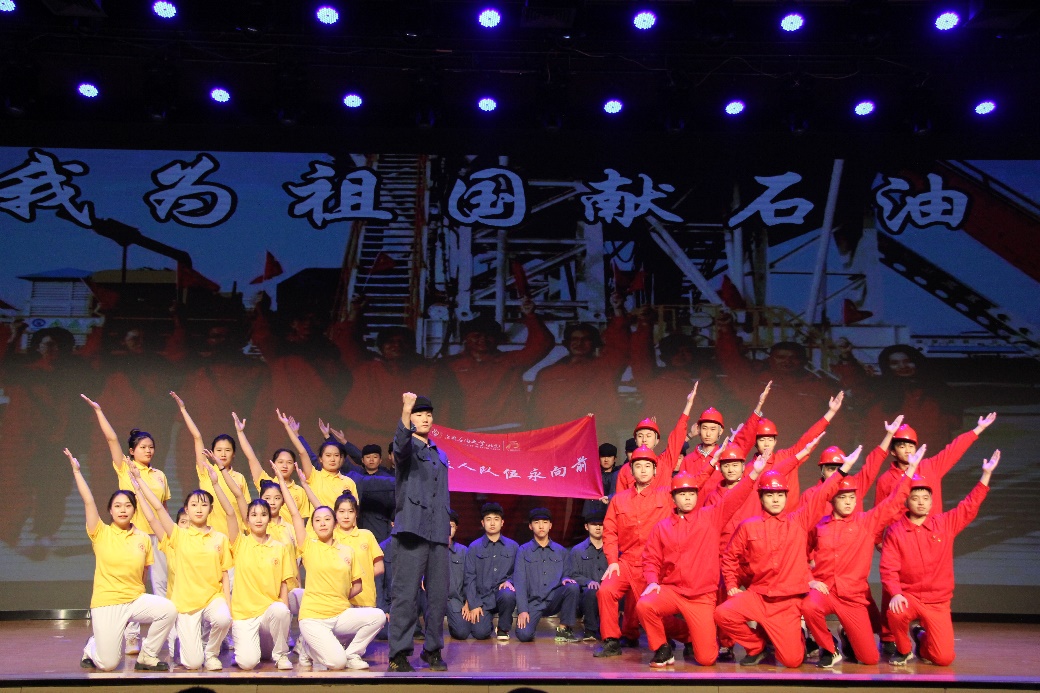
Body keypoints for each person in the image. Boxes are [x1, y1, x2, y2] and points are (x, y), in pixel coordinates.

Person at [714, 457, 854, 669]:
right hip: (759, 596)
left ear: (786, 497)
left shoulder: (798, 521)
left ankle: (796, 636)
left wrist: (843, 471)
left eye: (780, 495)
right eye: (770, 495)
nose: (776, 500)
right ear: (761, 498)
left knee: (792, 661)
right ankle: (757, 646)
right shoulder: (749, 526)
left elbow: (821, 496)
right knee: (722, 614)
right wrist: (732, 585)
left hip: (787, 604)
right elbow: (730, 557)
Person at [637, 459, 766, 668]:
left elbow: (734, 498)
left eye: (691, 493)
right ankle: (662, 648)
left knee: (706, 659)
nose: (688, 498)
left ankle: (692, 635)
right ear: (673, 498)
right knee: (644, 605)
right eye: (682, 494)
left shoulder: (711, 516)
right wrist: (652, 581)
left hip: (701, 597)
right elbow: (651, 559)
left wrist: (753, 475)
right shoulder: (661, 527)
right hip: (673, 591)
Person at [801, 445, 923, 667]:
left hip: (853, 598)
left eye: (852, 497)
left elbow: (894, 501)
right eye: (842, 497)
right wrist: (810, 579)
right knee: (808, 606)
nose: (848, 502)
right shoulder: (819, 526)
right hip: (827, 591)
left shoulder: (866, 522)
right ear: (832, 499)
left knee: (869, 659)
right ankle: (830, 648)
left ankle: (847, 636)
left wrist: (910, 471)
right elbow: (800, 552)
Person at [881, 451, 1000, 666]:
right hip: (910, 596)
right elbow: (888, 568)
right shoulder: (895, 531)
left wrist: (986, 475)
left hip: (937, 601)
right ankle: (904, 649)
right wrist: (896, 593)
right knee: (895, 611)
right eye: (915, 498)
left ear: (931, 502)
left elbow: (969, 506)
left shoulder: (944, 524)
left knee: (943, 659)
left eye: (925, 498)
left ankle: (921, 638)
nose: (921, 503)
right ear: (906, 501)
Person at [68, 448, 175, 672]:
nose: (123, 510)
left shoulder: (143, 538)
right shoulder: (100, 532)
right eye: (117, 506)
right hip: (107, 603)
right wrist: (77, 472)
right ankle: (92, 646)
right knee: (108, 664)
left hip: (134, 600)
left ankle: (147, 656)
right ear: (110, 510)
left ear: (134, 510)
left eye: (128, 506)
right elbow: (88, 501)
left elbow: (143, 575)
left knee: (168, 609)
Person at [81, 394, 171, 656]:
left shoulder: (160, 475)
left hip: (157, 537)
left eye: (151, 447)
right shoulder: (126, 468)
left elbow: (163, 508)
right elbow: (111, 440)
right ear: (132, 450)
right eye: (143, 447)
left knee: (161, 586)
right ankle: (131, 635)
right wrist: (99, 411)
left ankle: (161, 639)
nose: (148, 451)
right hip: (131, 537)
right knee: (134, 585)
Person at [131, 460, 236, 671]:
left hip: (212, 598)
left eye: (204, 505)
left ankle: (211, 653)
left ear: (211, 509)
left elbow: (225, 573)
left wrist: (228, 605)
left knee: (223, 618)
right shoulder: (178, 535)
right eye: (194, 505)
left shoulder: (220, 538)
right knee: (193, 663)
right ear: (186, 509)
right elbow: (157, 509)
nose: (199, 509)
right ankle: (186, 647)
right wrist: (140, 482)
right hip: (186, 604)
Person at [277, 470, 385, 671]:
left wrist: (339, 595)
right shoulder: (309, 546)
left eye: (327, 519)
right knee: (337, 663)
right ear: (313, 525)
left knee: (377, 616)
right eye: (317, 520)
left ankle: (353, 654)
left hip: (341, 614)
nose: (322, 523)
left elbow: (358, 585)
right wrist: (283, 482)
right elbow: (294, 514)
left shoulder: (347, 551)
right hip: (314, 617)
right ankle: (308, 648)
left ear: (334, 523)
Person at [594, 445, 691, 658]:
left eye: (648, 466)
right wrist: (612, 561)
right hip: (626, 561)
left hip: (653, 565)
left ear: (655, 470)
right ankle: (611, 641)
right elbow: (610, 531)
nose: (643, 470)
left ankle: (688, 636)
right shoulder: (619, 499)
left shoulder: (666, 495)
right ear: (631, 470)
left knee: (653, 612)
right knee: (606, 590)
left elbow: (691, 492)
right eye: (638, 466)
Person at [388, 393, 451, 672]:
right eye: (419, 414)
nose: (425, 418)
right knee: (405, 594)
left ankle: (432, 650)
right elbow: (400, 445)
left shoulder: (440, 454)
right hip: (412, 529)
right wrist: (405, 409)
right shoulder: (406, 448)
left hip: (437, 531)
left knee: (438, 595)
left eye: (428, 414)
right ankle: (399, 654)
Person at [441, 297, 554, 430]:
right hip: (467, 430)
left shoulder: (511, 361)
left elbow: (543, 344)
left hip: (509, 428)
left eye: (489, 335)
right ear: (466, 338)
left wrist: (530, 316)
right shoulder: (449, 364)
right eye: (477, 335)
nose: (483, 339)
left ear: (497, 339)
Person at [529, 293, 630, 439]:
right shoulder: (547, 373)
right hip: (557, 438)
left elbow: (620, 346)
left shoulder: (606, 368)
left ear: (595, 343)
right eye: (574, 339)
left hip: (594, 436)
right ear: (566, 343)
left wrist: (618, 310)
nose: (579, 343)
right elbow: (535, 413)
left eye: (586, 339)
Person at [171, 391, 250, 542]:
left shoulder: (239, 478)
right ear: (212, 452)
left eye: (227, 450)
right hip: (209, 540)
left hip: (236, 540)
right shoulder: (206, 471)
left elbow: (246, 514)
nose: (223, 454)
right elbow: (197, 437)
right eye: (219, 450)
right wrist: (183, 410)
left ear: (234, 454)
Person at [745, 390, 846, 507]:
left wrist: (831, 412)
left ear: (775, 441)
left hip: (791, 517)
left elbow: (808, 438)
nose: (767, 444)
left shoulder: (787, 456)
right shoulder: (749, 470)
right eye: (762, 440)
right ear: (755, 443)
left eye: (770, 439)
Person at [228, 497, 296, 670]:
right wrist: (216, 483)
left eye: (263, 514)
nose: (259, 519)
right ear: (247, 520)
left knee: (281, 610)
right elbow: (230, 513)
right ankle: (249, 650)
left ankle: (281, 655)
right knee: (248, 663)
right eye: (254, 515)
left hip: (268, 613)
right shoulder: (240, 543)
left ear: (269, 518)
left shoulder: (279, 548)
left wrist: (285, 621)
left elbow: (283, 585)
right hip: (244, 615)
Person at [513, 508, 581, 643]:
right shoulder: (523, 551)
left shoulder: (561, 551)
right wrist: (522, 610)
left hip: (553, 599)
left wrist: (566, 578)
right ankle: (531, 626)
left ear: (550, 525)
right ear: (530, 526)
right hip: (534, 603)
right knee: (524, 635)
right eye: (536, 522)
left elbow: (567, 574)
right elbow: (520, 582)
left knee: (572, 587)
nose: (541, 526)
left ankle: (563, 629)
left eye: (545, 522)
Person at [616, 387, 701, 492]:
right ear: (635, 440)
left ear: (657, 441)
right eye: (640, 436)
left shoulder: (665, 462)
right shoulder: (625, 470)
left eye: (649, 435)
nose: (644, 439)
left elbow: (677, 437)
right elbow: (620, 498)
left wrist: (689, 404)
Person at [238, 411, 312, 525]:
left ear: (294, 466)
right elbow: (251, 458)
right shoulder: (266, 483)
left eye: (289, 462)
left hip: (289, 535)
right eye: (280, 462)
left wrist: (288, 428)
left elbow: (301, 523)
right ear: (273, 464)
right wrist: (240, 433)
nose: (284, 466)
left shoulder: (300, 491)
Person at [278, 409, 359, 509]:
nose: (332, 459)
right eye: (328, 455)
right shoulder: (314, 476)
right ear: (320, 458)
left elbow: (354, 512)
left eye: (336, 455)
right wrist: (289, 428)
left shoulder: (349, 482)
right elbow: (303, 452)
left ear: (341, 458)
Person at [464, 502, 520, 641]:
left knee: (508, 594)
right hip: (482, 598)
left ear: (502, 522)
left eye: (496, 519)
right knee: (480, 634)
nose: (492, 523)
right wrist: (473, 604)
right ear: (483, 523)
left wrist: (510, 581)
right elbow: (469, 577)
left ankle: (503, 629)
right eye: (488, 519)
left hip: (503, 595)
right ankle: (487, 624)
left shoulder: (513, 547)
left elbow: (520, 572)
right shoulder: (474, 547)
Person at [565, 510, 608, 641]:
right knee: (591, 591)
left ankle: (613, 633)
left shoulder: (612, 549)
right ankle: (590, 631)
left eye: (601, 524)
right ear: (586, 526)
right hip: (586, 596)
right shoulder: (577, 550)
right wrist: (588, 581)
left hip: (608, 592)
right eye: (594, 524)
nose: (598, 527)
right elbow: (573, 574)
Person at [445, 509, 471, 641]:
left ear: (456, 528)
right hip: (433, 600)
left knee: (462, 633)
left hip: (455, 600)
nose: (448, 529)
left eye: (451, 526)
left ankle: (454, 623)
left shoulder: (464, 551)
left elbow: (470, 579)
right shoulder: (429, 549)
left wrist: (468, 602)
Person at [582, 443, 620, 520]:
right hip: (592, 515)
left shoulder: (619, 474)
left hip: (612, 514)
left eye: (609, 456)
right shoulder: (592, 474)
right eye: (603, 456)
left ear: (615, 458)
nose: (606, 460)